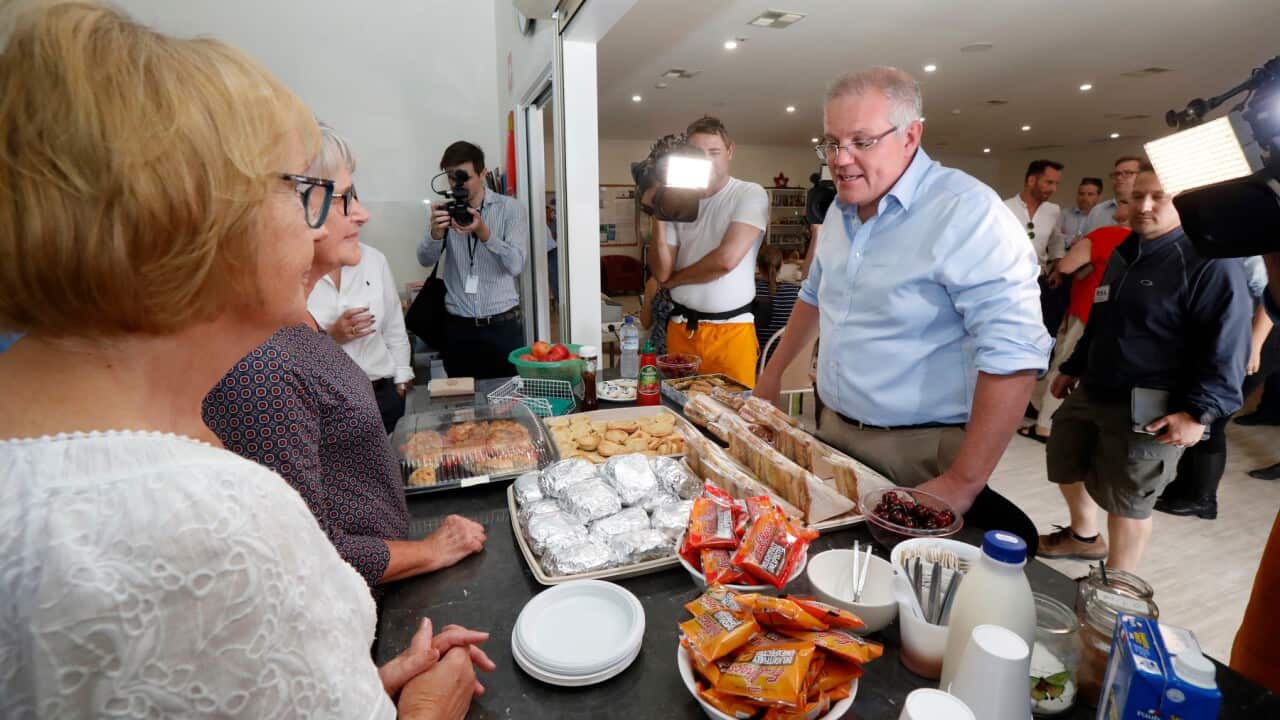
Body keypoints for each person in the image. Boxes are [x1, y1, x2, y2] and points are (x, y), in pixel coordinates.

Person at [0, 4, 488, 717]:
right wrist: (429, 701)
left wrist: (363, 684)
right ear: (196, 215)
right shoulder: (217, 519)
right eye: (304, 193)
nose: (322, 219)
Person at [755, 67, 1053, 554]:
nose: (840, 160)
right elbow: (812, 295)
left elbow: (1015, 354)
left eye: (861, 142)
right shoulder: (838, 210)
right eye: (830, 143)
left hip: (921, 450)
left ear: (911, 135)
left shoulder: (967, 212)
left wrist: (962, 481)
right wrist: (771, 376)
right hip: (834, 429)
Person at [206, 126, 487, 593]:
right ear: (286, 215)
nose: (362, 213)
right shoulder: (262, 362)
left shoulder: (294, 327)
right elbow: (302, 548)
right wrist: (431, 550)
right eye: (343, 199)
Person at [1040, 164, 1251, 572]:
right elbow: (1102, 317)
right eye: (1137, 196)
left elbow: (1228, 345)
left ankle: (1118, 585)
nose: (1145, 206)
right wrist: (1074, 364)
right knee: (1064, 456)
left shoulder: (1209, 263)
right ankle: (1083, 536)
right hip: (1097, 387)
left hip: (1153, 406)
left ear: (1185, 202)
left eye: (1160, 197)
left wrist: (1198, 413)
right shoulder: (1124, 251)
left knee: (1130, 501)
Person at [647, 116, 769, 387]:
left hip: (731, 331)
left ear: (730, 151)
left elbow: (725, 260)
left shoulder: (749, 193)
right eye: (697, 155)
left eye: (714, 152)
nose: (708, 161)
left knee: (733, 420)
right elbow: (662, 269)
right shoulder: (677, 200)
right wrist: (658, 211)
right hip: (681, 328)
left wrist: (673, 282)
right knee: (680, 416)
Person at [307, 133, 414, 434]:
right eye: (343, 199)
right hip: (331, 405)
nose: (362, 215)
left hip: (382, 393)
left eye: (354, 197)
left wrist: (401, 377)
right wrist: (332, 336)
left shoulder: (373, 259)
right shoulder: (278, 295)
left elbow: (394, 325)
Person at [1155, 255, 1276, 517]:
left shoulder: (1255, 247)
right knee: (1198, 407)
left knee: (1213, 415)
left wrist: (1253, 345)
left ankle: (1203, 499)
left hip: (1259, 337)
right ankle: (1185, 486)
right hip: (1234, 333)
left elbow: (1269, 298)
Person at [1019, 196, 1132, 442]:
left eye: (1123, 202)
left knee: (1063, 364)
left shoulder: (1105, 234)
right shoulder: (1145, 242)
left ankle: (1044, 427)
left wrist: (1080, 248)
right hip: (1114, 314)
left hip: (1085, 309)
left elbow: (1067, 266)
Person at [417, 141, 529, 379]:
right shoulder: (446, 211)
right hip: (459, 328)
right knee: (461, 404)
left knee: (507, 402)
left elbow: (516, 265)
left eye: (463, 177)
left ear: (482, 174)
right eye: (451, 177)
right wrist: (435, 234)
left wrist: (484, 232)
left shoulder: (510, 209)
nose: (457, 185)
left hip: (502, 326)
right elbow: (425, 260)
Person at [754, 245, 802, 366]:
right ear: (781, 266)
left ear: (758, 266)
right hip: (785, 363)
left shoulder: (750, 291)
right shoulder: (795, 292)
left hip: (756, 361)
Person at [1080, 155, 1142, 236]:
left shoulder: (1151, 210)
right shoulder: (1098, 211)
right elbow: (1087, 243)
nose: (1119, 178)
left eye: (1127, 173)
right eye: (1116, 174)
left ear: (1142, 176)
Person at [1048, 177, 1103, 263]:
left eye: (1090, 194)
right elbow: (1053, 237)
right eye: (1081, 194)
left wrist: (1066, 238)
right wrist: (1071, 240)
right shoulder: (1064, 214)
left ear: (1099, 197)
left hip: (1090, 266)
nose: (1084, 198)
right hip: (1062, 263)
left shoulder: (1103, 218)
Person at [639, 275, 675, 354]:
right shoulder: (697, 278)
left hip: (661, 349)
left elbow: (646, 322)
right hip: (692, 346)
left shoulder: (655, 282)